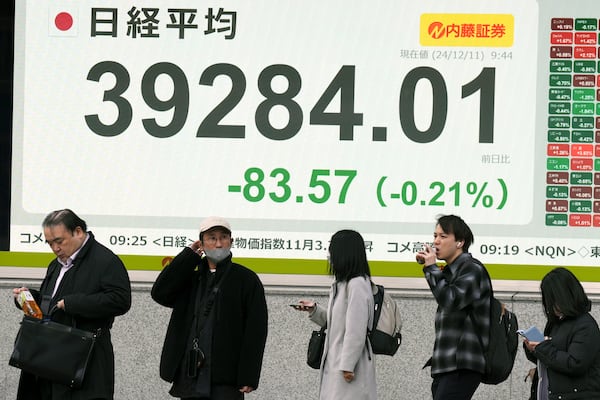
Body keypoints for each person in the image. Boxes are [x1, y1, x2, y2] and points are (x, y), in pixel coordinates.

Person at [12, 209, 132, 400]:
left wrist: (73, 303)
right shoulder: (56, 264)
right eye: (50, 243)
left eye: (59, 241)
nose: (55, 248)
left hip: (83, 359)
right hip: (47, 358)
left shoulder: (105, 260)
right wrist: (29, 298)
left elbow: (120, 300)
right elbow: (51, 300)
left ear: (78, 232)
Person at [151, 216, 268, 400]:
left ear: (232, 241)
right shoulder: (191, 277)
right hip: (190, 373)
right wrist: (188, 256)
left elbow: (256, 330)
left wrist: (248, 375)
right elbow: (160, 293)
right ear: (202, 244)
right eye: (212, 238)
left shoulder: (246, 279)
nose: (219, 243)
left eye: (223, 237)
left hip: (225, 379)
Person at [294, 229, 376, 400]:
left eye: (332, 249)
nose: (329, 255)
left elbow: (356, 330)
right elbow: (337, 323)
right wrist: (314, 309)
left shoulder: (357, 284)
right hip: (337, 364)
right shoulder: (341, 284)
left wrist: (347, 365)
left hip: (349, 369)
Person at [416, 214, 491, 400]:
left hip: (462, 364)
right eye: (435, 236)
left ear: (460, 242)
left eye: (443, 236)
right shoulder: (449, 272)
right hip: (446, 365)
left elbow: (450, 300)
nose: (436, 242)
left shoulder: (472, 269)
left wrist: (432, 268)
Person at [522, 267, 600, 399]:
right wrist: (533, 349)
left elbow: (575, 364)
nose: (549, 306)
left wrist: (542, 346)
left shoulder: (585, 325)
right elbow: (552, 360)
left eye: (552, 300)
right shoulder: (556, 322)